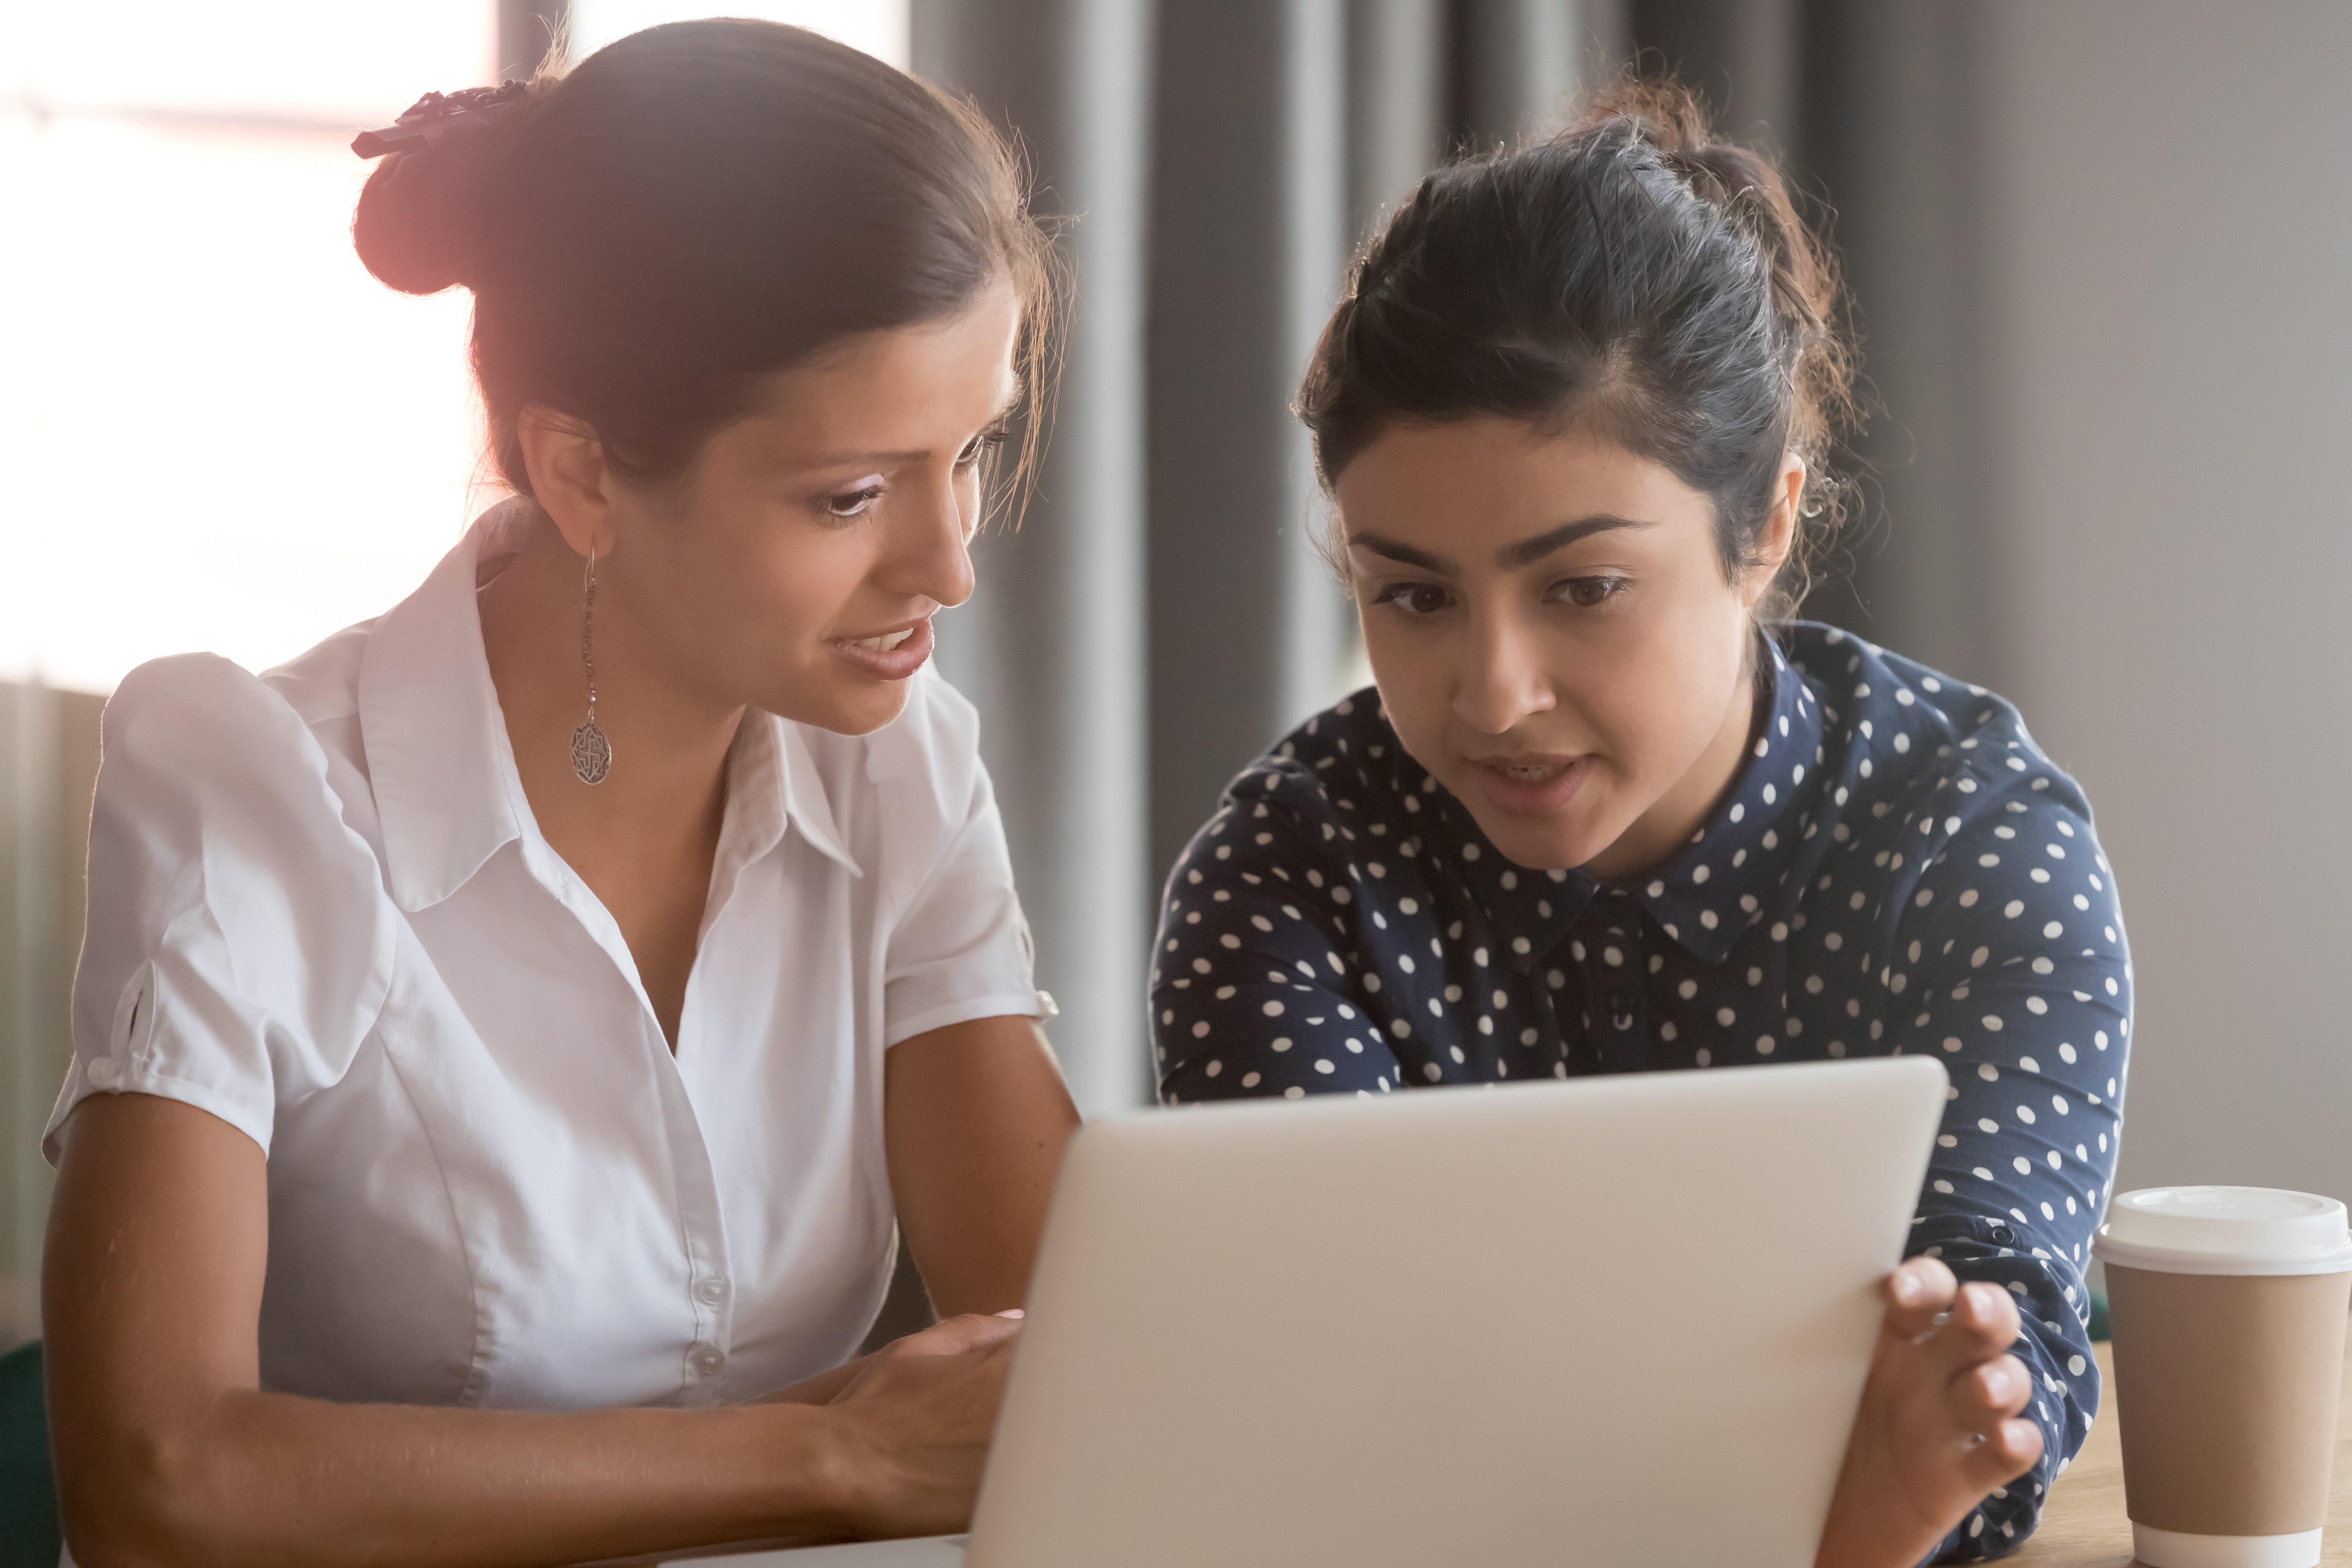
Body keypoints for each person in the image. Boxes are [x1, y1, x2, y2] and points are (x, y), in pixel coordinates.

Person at [43, 22, 1080, 1566]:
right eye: (849, 493)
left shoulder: (895, 761)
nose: (946, 567)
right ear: (581, 473)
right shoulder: (253, 784)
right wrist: (826, 1457)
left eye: (970, 453)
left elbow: (1070, 1350)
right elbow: (164, 1483)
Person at [1152, 81, 2128, 1567]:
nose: (1492, 692)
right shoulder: (1290, 881)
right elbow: (1340, 1441)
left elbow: (1989, 1418)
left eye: (1580, 587)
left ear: (1767, 526)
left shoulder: (1971, 842)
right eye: (1409, 593)